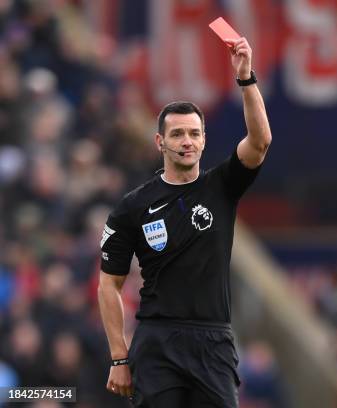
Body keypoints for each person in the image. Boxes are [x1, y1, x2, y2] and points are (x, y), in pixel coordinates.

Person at [97, 36, 271, 407]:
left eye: (194, 134)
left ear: (205, 141)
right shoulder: (132, 207)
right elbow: (108, 285)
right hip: (157, 343)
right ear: (160, 142)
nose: (186, 141)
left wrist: (246, 78)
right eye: (177, 134)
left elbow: (260, 142)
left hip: (213, 342)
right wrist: (118, 355)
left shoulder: (222, 185)